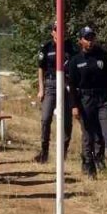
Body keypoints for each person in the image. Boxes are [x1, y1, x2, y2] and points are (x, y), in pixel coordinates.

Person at [65, 27, 107, 179]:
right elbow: (72, 86)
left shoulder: (102, 56)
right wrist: (74, 106)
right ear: (80, 40)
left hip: (102, 99)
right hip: (85, 100)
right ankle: (88, 165)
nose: (90, 41)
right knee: (88, 135)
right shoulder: (75, 60)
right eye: (87, 38)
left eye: (92, 38)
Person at [33, 24, 73, 164]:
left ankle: (63, 154)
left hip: (66, 85)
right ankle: (44, 152)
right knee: (45, 118)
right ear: (52, 32)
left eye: (61, 29)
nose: (59, 32)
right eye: (56, 29)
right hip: (50, 84)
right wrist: (41, 88)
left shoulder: (70, 47)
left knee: (67, 121)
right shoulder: (46, 47)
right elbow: (41, 68)